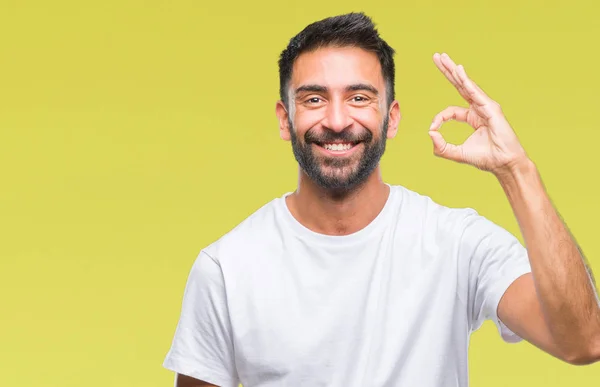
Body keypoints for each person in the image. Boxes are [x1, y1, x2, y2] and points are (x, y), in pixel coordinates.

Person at [163, 12, 600, 387]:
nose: (336, 120)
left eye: (359, 97)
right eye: (314, 99)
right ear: (285, 119)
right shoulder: (226, 269)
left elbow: (584, 341)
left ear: (391, 119)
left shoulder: (457, 244)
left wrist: (516, 170)